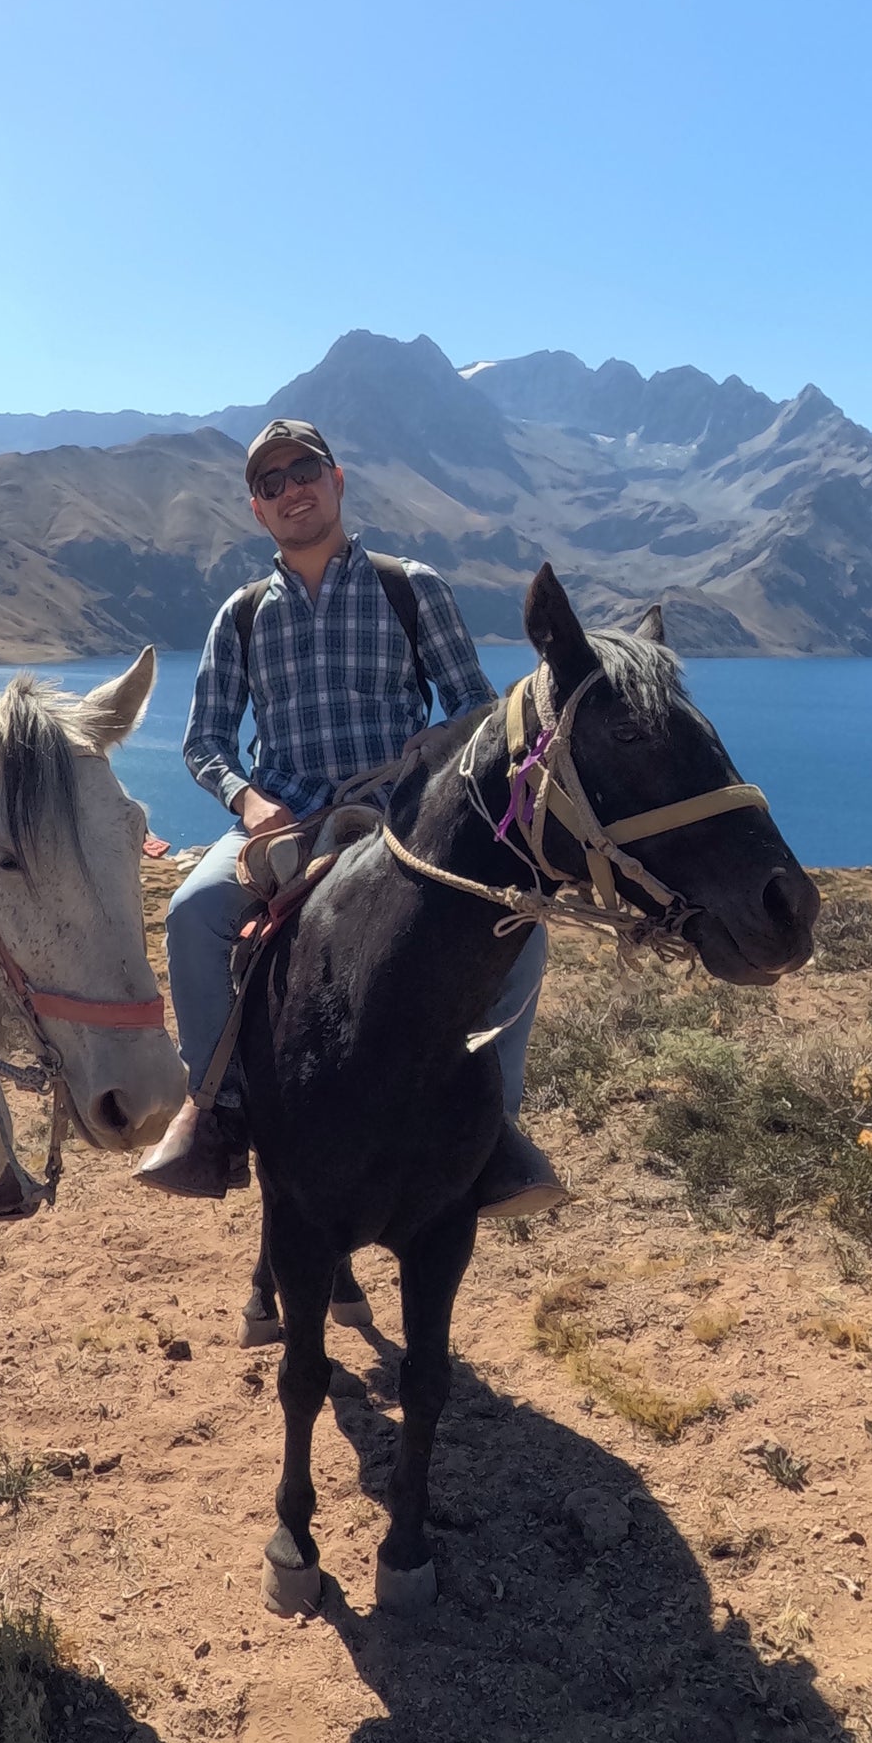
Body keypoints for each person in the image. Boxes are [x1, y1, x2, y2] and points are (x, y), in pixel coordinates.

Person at [135, 417, 564, 1212]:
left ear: (336, 482)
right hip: (283, 816)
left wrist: (428, 774)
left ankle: (495, 1130)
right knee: (193, 914)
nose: (290, 487)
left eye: (305, 470)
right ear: (256, 510)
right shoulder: (238, 615)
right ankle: (218, 1110)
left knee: (521, 928)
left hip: (401, 820)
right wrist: (247, 799)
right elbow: (204, 741)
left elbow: (472, 705)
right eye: (271, 482)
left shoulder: (410, 587)